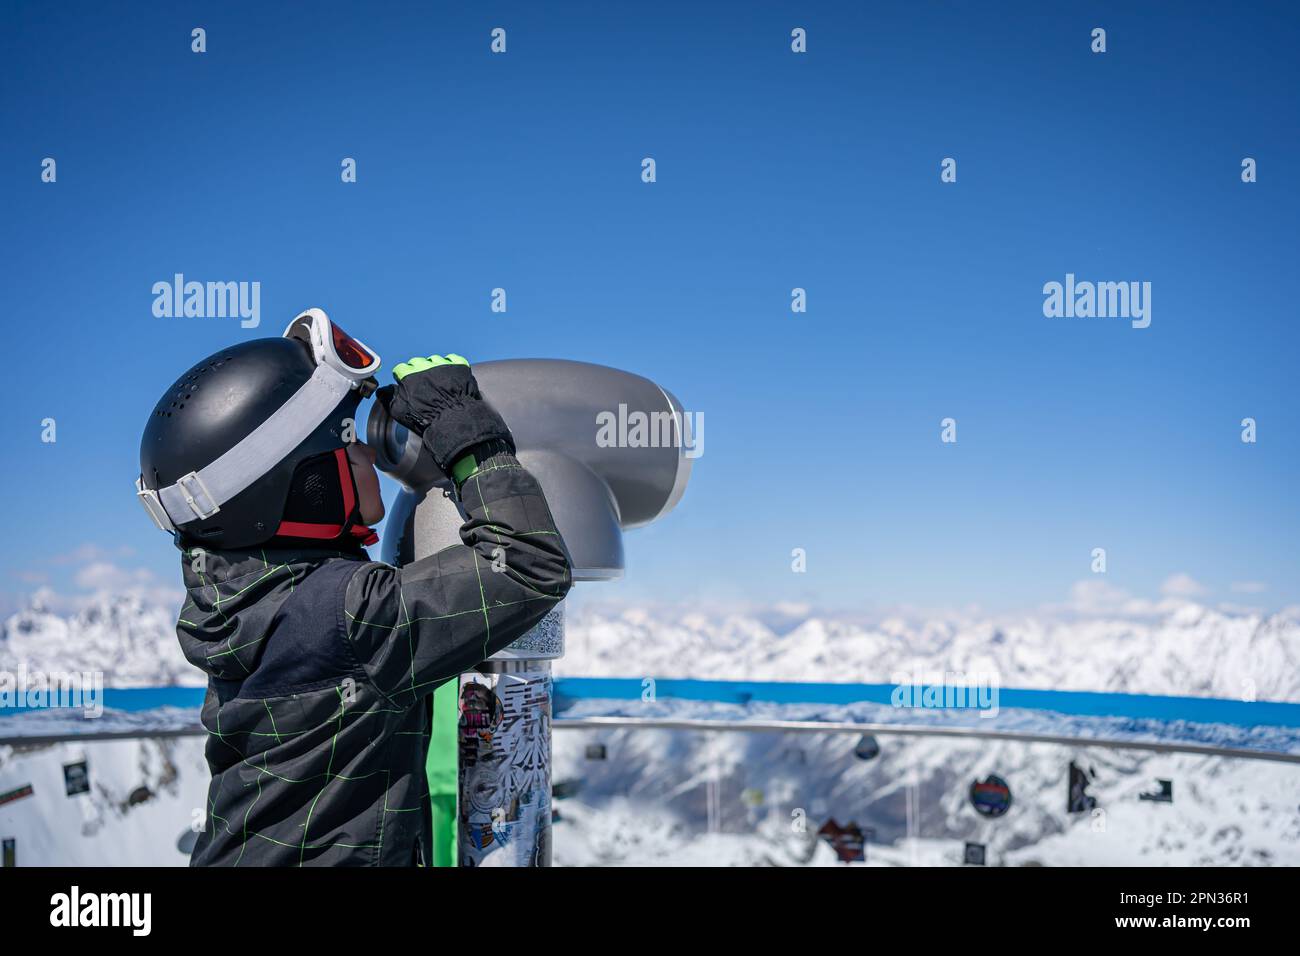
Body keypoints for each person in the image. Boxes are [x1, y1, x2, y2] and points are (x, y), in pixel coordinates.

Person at [135, 308, 572, 866]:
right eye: (348, 445)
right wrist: (465, 430)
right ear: (305, 484)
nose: (369, 453)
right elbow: (527, 563)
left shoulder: (242, 600)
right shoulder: (344, 615)